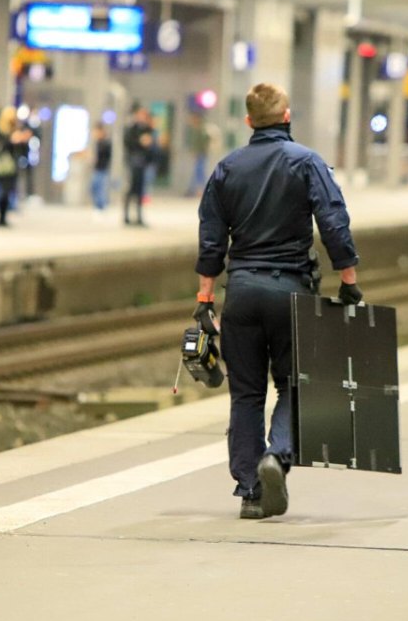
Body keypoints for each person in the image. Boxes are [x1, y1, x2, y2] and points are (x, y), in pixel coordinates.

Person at [194, 82, 362, 520]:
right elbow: (333, 221)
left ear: (249, 122)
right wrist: (348, 280)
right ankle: (279, 455)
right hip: (291, 294)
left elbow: (211, 238)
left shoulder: (227, 167)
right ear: (286, 117)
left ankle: (250, 489)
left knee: (245, 394)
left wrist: (205, 296)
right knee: (294, 384)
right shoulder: (306, 162)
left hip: (242, 294)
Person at [0, 107, 29, 227]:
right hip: (1, 164)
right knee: (0, 191)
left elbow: (22, 151)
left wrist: (22, 141)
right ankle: (0, 215)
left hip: (12, 165)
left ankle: (3, 215)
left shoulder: (17, 129)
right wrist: (11, 141)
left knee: (8, 191)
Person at [123, 107, 155, 226]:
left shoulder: (148, 129)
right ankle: (126, 216)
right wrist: (140, 142)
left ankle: (139, 216)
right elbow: (128, 144)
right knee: (132, 189)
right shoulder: (131, 129)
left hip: (143, 163)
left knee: (141, 191)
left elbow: (152, 147)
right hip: (134, 162)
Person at [184, 111, 215, 197]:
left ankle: (200, 190)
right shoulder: (197, 129)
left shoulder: (201, 129)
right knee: (198, 172)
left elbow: (203, 142)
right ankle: (194, 190)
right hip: (200, 153)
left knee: (199, 172)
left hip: (201, 154)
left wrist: (197, 151)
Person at [89, 124, 113, 211]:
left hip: (102, 169)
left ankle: (101, 207)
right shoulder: (97, 143)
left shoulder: (105, 142)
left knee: (100, 189)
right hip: (97, 169)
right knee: (94, 187)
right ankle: (98, 206)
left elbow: (103, 156)